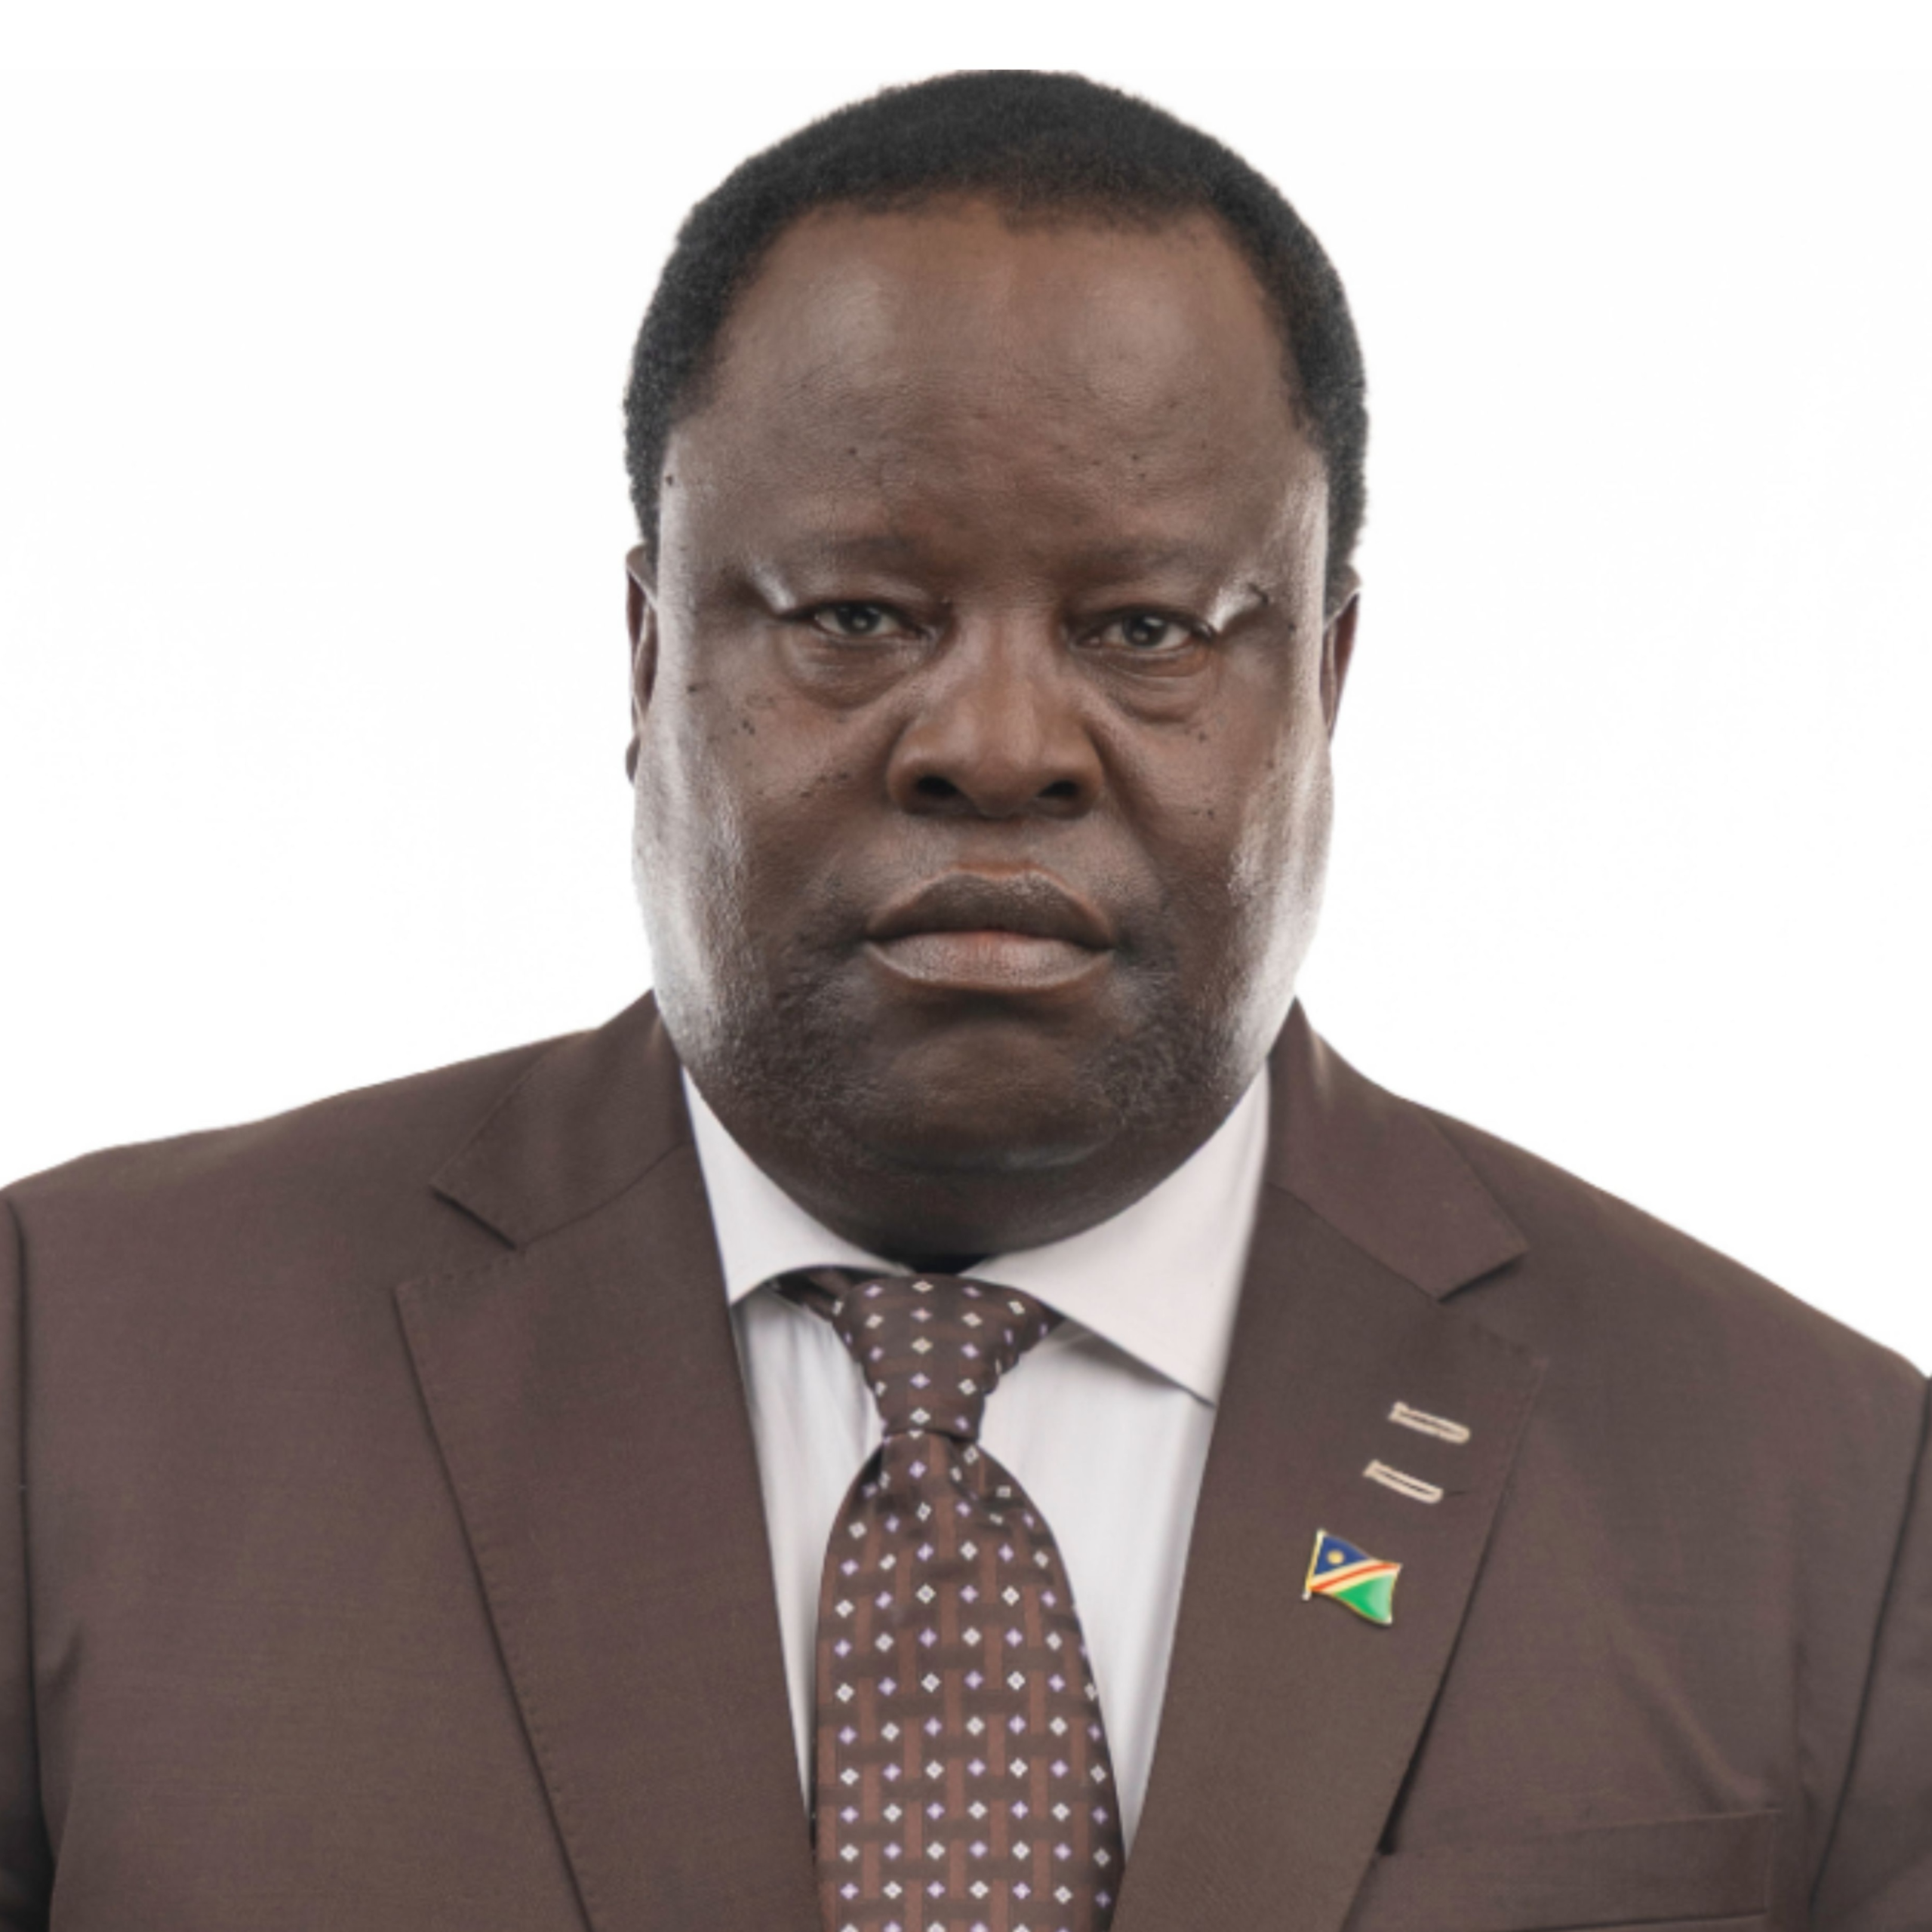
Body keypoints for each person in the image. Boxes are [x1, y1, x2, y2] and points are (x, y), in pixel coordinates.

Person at [1, 66, 1923, 1932]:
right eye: (855, 614)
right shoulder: (69, 1377)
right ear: (647, 652)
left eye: (1145, 628)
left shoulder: (1823, 1501)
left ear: (1324, 681)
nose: (997, 746)